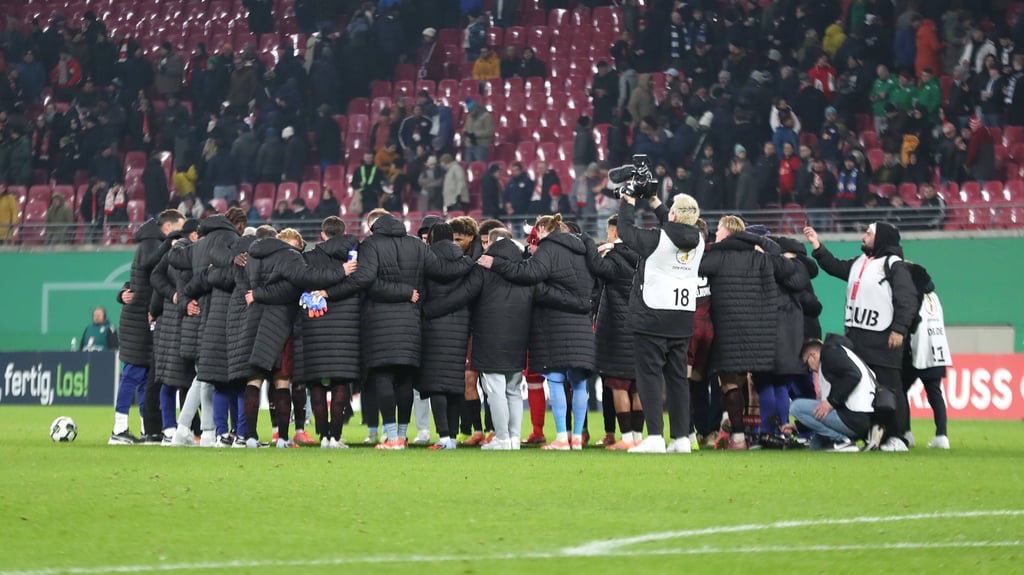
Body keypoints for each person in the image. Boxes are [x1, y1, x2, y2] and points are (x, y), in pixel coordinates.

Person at [346, 209, 472, 449]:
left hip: (381, 322)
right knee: (404, 378)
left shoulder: (370, 244)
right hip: (412, 322)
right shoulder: (416, 245)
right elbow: (442, 271)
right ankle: (402, 435)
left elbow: (367, 280)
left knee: (384, 375)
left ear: (376, 227)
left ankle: (392, 437)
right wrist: (469, 262)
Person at [478, 214, 595, 450]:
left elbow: (529, 274)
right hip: (582, 324)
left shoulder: (548, 248)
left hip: (555, 323)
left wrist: (497, 263)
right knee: (579, 382)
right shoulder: (583, 249)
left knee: (555, 378)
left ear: (543, 229)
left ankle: (562, 438)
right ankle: (577, 439)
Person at [804, 222, 918, 452]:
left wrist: (899, 329)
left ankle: (898, 437)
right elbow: (835, 267)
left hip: (884, 337)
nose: (863, 236)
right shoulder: (860, 263)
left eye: (868, 233)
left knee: (890, 387)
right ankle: (874, 434)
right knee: (868, 390)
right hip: (857, 338)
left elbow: (907, 299)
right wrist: (817, 246)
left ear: (882, 238)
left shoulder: (893, 265)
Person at [698, 216, 806, 450]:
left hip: (726, 330)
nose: (715, 234)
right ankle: (756, 434)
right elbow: (786, 266)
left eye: (719, 230)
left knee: (730, 384)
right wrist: (753, 240)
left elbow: (694, 267)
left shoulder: (716, 257)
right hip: (757, 334)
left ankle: (738, 438)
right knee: (753, 384)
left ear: (727, 234)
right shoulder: (762, 258)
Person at [613, 189, 703, 453]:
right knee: (677, 380)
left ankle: (654, 436)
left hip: (652, 316)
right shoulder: (698, 239)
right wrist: (654, 201)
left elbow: (625, 231)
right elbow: (676, 224)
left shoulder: (657, 238)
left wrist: (628, 200)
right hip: (682, 318)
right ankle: (681, 438)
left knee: (649, 377)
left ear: (673, 214)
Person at [170, 209, 247, 447]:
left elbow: (176, 260)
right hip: (216, 314)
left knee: (204, 375)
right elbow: (228, 274)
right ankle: (198, 430)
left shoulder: (200, 244)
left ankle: (196, 430)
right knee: (207, 376)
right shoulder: (229, 240)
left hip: (197, 313)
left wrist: (185, 299)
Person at [109, 209, 185, 445]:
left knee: (144, 376)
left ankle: (147, 429)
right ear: (170, 228)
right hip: (137, 320)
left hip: (143, 316)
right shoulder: (152, 242)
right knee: (132, 373)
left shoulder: (152, 242)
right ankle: (119, 429)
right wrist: (169, 245)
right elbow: (150, 264)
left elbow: (139, 278)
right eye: (179, 228)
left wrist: (123, 293)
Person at [415, 223, 474, 449]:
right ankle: (452, 438)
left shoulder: (425, 261)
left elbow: (421, 293)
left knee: (436, 383)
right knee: (453, 382)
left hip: (433, 327)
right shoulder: (465, 262)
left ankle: (443, 436)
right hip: (460, 325)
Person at [587, 214, 643, 450]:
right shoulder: (644, 257)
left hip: (617, 330)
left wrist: (597, 248)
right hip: (642, 327)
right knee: (638, 384)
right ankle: (639, 437)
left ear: (613, 233)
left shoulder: (614, 258)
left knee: (619, 385)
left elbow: (594, 267)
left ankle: (627, 438)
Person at [791, 336, 876, 451]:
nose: (809, 370)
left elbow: (853, 376)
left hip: (853, 419)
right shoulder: (842, 354)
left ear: (813, 356)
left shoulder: (830, 355)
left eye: (807, 364)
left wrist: (831, 402)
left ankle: (842, 440)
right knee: (815, 446)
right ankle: (844, 441)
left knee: (796, 407)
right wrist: (798, 427)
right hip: (862, 419)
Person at [902, 263, 952, 450]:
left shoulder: (913, 296)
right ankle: (942, 435)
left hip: (917, 350)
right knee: (935, 393)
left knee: (900, 390)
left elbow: (911, 321)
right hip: (937, 348)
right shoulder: (933, 296)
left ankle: (906, 433)